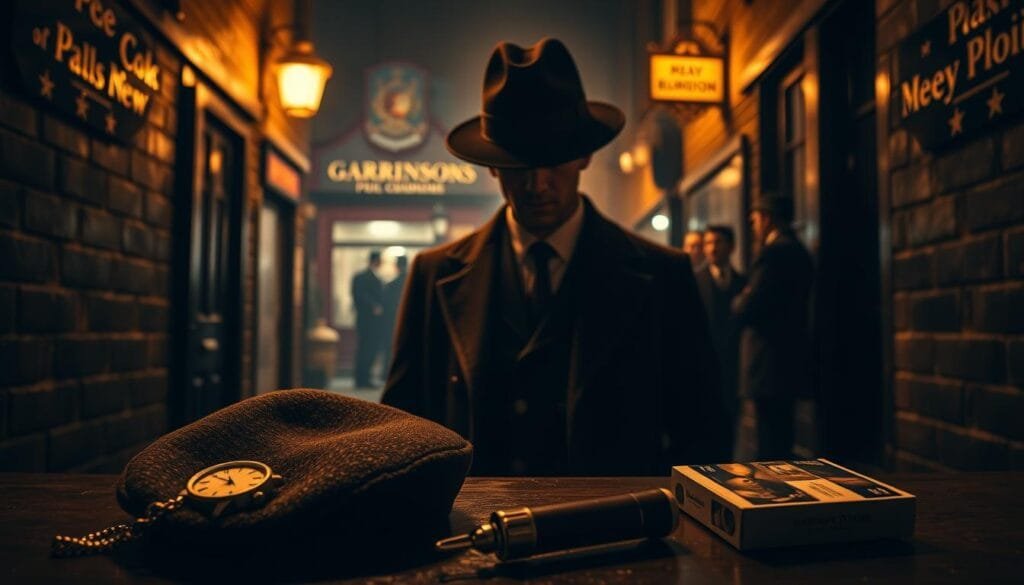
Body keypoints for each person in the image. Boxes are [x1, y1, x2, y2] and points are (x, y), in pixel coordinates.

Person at [381, 38, 724, 476]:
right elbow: (402, 428)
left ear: (583, 155)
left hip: (616, 528)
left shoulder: (663, 273)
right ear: (492, 166)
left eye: (554, 162)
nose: (538, 184)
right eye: (520, 166)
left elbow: (702, 429)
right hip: (472, 529)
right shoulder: (434, 275)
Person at [732, 194, 814, 460]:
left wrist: (740, 298)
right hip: (788, 357)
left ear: (767, 218)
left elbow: (747, 306)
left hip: (769, 360)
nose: (753, 226)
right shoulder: (799, 250)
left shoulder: (774, 253)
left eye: (755, 219)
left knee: (770, 442)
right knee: (781, 435)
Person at [694, 225, 746, 459]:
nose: (712, 248)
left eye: (718, 242)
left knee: (730, 428)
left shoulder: (743, 283)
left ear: (731, 246)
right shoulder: (694, 281)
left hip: (733, 368)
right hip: (702, 366)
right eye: (708, 243)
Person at [351, 250, 385, 389]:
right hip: (367, 320)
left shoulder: (365, 276)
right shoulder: (362, 277)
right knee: (366, 349)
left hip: (370, 321)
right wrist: (373, 305)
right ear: (375, 261)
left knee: (368, 349)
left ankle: (364, 378)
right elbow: (358, 295)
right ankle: (362, 379)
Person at [380, 254, 408, 374]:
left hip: (391, 320)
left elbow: (387, 303)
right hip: (407, 320)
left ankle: (387, 372)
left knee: (389, 347)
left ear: (397, 266)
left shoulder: (391, 284)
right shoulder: (410, 281)